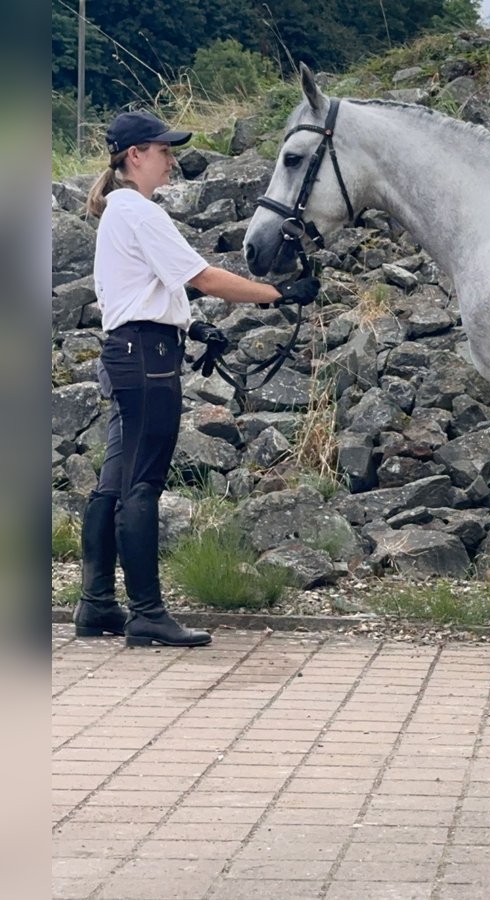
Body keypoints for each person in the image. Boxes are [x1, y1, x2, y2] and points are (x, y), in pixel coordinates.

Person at [75, 109, 321, 647]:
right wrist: (283, 293)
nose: (171, 161)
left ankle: (96, 604)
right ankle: (146, 614)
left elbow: (147, 290)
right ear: (135, 156)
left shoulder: (120, 212)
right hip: (147, 361)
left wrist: (192, 325)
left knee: (114, 483)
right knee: (141, 484)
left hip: (132, 352)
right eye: (163, 151)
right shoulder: (140, 213)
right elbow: (204, 277)